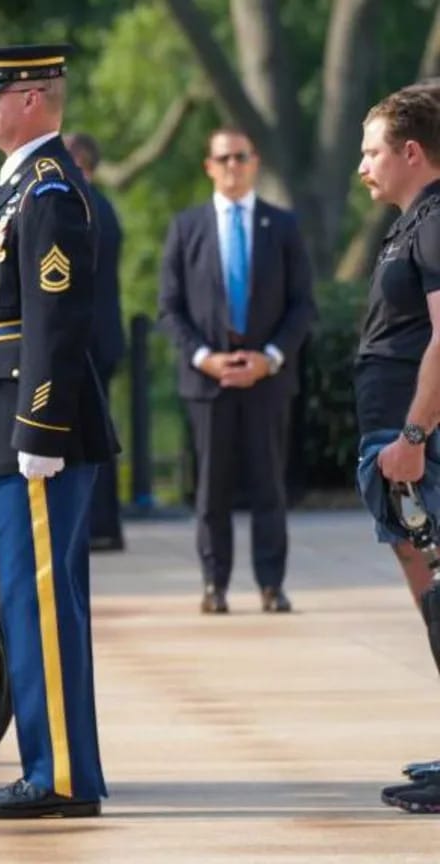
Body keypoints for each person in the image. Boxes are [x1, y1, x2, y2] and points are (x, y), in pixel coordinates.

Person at [0, 44, 116, 819]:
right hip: (8, 413)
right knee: (34, 604)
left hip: (33, 422)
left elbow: (56, 321)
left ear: (32, 99)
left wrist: (40, 428)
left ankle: (54, 778)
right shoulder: (22, 182)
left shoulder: (48, 189)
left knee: (38, 606)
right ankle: (62, 770)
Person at [157, 128, 315, 614]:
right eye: (223, 158)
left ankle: (271, 584)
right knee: (211, 489)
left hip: (267, 379)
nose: (232, 166)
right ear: (208, 165)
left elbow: (302, 306)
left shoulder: (282, 225)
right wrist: (206, 357)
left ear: (255, 162)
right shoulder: (187, 227)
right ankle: (214, 585)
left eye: (241, 157)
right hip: (209, 381)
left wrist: (270, 356)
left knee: (269, 485)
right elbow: (170, 308)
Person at [351, 83, 440, 814]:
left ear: (413, 152)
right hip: (398, 442)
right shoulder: (414, 221)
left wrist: (414, 435)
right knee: (432, 597)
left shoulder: (436, 221)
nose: (362, 166)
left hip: (418, 444)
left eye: (373, 150)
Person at [63, 133, 126, 552]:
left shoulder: (84, 206)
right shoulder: (99, 205)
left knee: (90, 437)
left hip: (90, 342)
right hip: (99, 339)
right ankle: (101, 524)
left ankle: (100, 524)